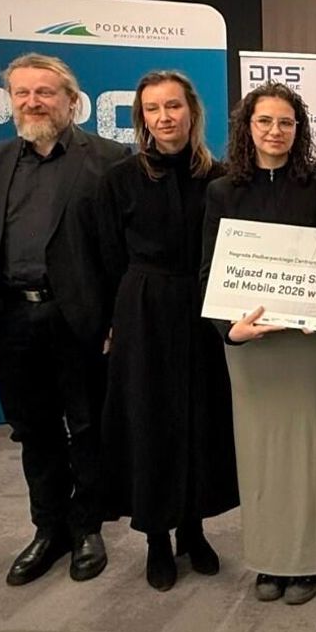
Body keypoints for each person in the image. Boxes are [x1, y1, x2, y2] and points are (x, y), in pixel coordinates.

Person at [0, 53, 128, 586]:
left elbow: (121, 251)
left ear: (71, 101)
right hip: (10, 319)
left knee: (87, 426)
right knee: (32, 430)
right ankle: (48, 529)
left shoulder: (110, 159)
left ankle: (87, 527)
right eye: (22, 93)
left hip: (80, 319)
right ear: (11, 101)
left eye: (45, 92)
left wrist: (117, 320)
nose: (33, 102)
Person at [200, 81, 316, 606]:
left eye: (286, 122)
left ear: (298, 129)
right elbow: (208, 270)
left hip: (310, 345)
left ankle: (306, 561)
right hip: (252, 345)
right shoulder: (222, 191)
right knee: (258, 450)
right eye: (264, 121)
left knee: (307, 450)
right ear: (248, 127)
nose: (275, 131)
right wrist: (228, 329)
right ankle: (268, 558)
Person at [96, 71, 238, 591]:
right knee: (149, 422)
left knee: (200, 419)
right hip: (144, 311)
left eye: (173, 106)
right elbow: (107, 254)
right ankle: (156, 537)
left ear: (192, 112)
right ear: (142, 118)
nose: (164, 117)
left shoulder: (219, 178)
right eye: (153, 109)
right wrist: (112, 321)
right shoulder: (119, 179)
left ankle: (193, 531)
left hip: (203, 310)